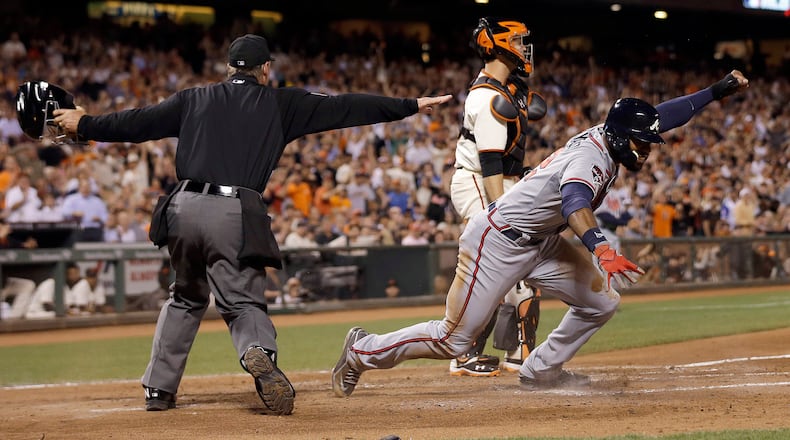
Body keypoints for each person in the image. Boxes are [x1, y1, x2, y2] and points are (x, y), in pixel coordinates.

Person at [54, 33, 451, 415]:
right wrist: (409, 104)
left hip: (183, 206)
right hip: (234, 210)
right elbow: (348, 107)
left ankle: (159, 388)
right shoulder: (282, 103)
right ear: (265, 69)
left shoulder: (194, 98)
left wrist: (85, 124)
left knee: (185, 296)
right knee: (242, 300)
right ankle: (257, 351)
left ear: (228, 68)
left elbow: (136, 124)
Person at [331, 70, 749, 396]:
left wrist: (716, 90)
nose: (646, 149)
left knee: (601, 302)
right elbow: (574, 205)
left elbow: (666, 115)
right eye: (641, 143)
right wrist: (600, 247)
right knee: (455, 340)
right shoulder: (591, 158)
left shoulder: (613, 135)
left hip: (541, 241)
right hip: (496, 242)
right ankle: (362, 350)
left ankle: (541, 370)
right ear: (621, 139)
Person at [447, 17, 547, 376]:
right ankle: (463, 351)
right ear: (501, 46)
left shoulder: (506, 88)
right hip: (480, 180)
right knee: (498, 266)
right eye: (518, 41)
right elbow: (489, 162)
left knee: (522, 272)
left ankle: (520, 353)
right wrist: (498, 213)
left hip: (504, 181)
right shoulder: (488, 96)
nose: (524, 48)